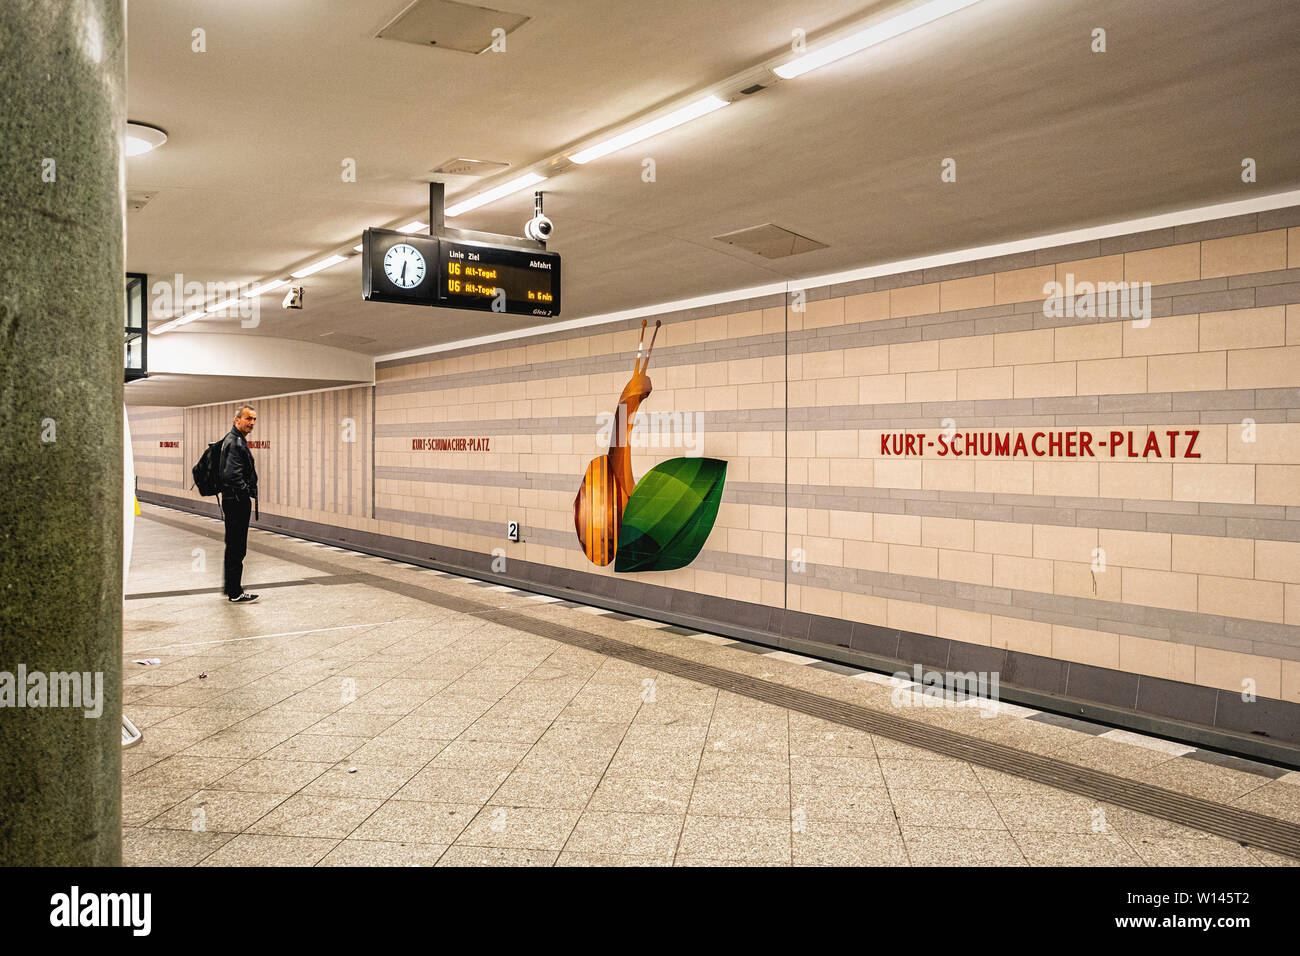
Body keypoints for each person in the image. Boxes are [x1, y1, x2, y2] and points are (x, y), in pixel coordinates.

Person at [220, 405, 260, 604]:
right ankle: (235, 592)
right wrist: (244, 492)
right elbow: (231, 474)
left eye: (254, 419)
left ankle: (230, 587)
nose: (252, 423)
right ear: (237, 420)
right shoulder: (235, 442)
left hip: (231, 500)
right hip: (236, 501)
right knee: (237, 547)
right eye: (248, 419)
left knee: (233, 545)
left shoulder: (233, 439)